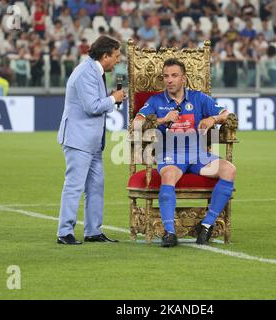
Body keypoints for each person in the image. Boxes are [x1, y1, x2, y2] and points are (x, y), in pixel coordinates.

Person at [133, 58, 236, 247]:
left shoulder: (198, 98)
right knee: (169, 175)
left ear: (183, 78)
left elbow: (226, 114)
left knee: (229, 169)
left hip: (198, 155)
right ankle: (170, 232)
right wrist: (163, 120)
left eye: (174, 75)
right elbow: (136, 123)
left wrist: (213, 119)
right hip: (171, 154)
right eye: (166, 76)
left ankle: (206, 225)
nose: (169, 80)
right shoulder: (156, 101)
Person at [56, 35, 125, 245]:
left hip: (92, 142)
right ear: (105, 56)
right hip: (79, 140)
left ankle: (93, 231)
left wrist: (110, 97)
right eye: (116, 55)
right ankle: (64, 232)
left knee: (96, 186)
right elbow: (92, 106)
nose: (118, 60)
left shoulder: (94, 71)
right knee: (75, 186)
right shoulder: (86, 72)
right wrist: (114, 99)